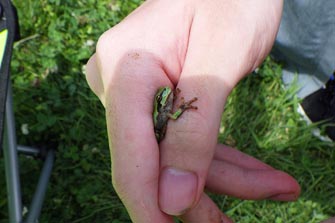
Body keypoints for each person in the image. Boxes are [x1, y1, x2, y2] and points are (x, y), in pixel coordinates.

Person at [85, 0, 334, 222]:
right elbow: (169, 116)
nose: (167, 96)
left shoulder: (165, 107)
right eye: (164, 98)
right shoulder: (163, 113)